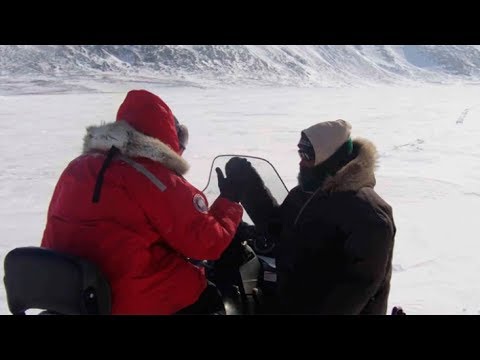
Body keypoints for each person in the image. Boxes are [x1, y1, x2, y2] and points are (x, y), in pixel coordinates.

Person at [41, 89, 243, 315]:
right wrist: (230, 202)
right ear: (164, 138)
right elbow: (206, 242)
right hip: (130, 297)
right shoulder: (152, 176)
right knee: (210, 297)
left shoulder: (77, 167)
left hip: (74, 296)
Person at [227, 119, 396, 314]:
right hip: (295, 303)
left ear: (332, 158)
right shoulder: (306, 194)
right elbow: (279, 228)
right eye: (300, 153)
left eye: (308, 155)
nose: (301, 161)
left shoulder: (367, 212)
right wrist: (248, 185)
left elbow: (359, 286)